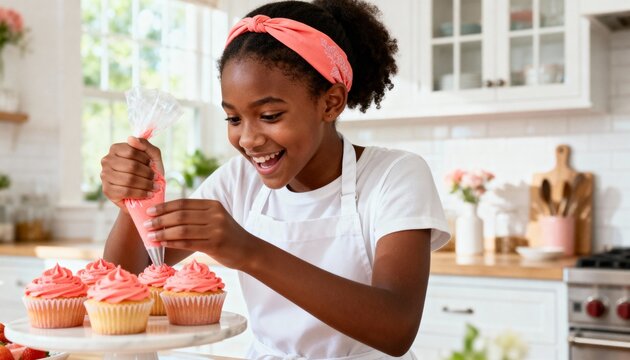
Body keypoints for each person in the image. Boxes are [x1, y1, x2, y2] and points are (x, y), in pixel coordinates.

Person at [100, 0, 450, 358]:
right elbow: (126, 279)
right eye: (233, 119)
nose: (248, 139)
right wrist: (135, 202)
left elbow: (396, 327)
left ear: (331, 103)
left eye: (269, 115)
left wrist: (247, 250)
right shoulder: (238, 180)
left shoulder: (394, 176)